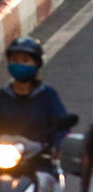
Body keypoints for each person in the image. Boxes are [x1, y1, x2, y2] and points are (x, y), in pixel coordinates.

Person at [0, 37, 70, 182]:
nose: (19, 64)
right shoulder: (2, 96)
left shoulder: (48, 96)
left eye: (25, 61)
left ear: (36, 64)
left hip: (39, 164)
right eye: (15, 60)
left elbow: (61, 128)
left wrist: (58, 147)